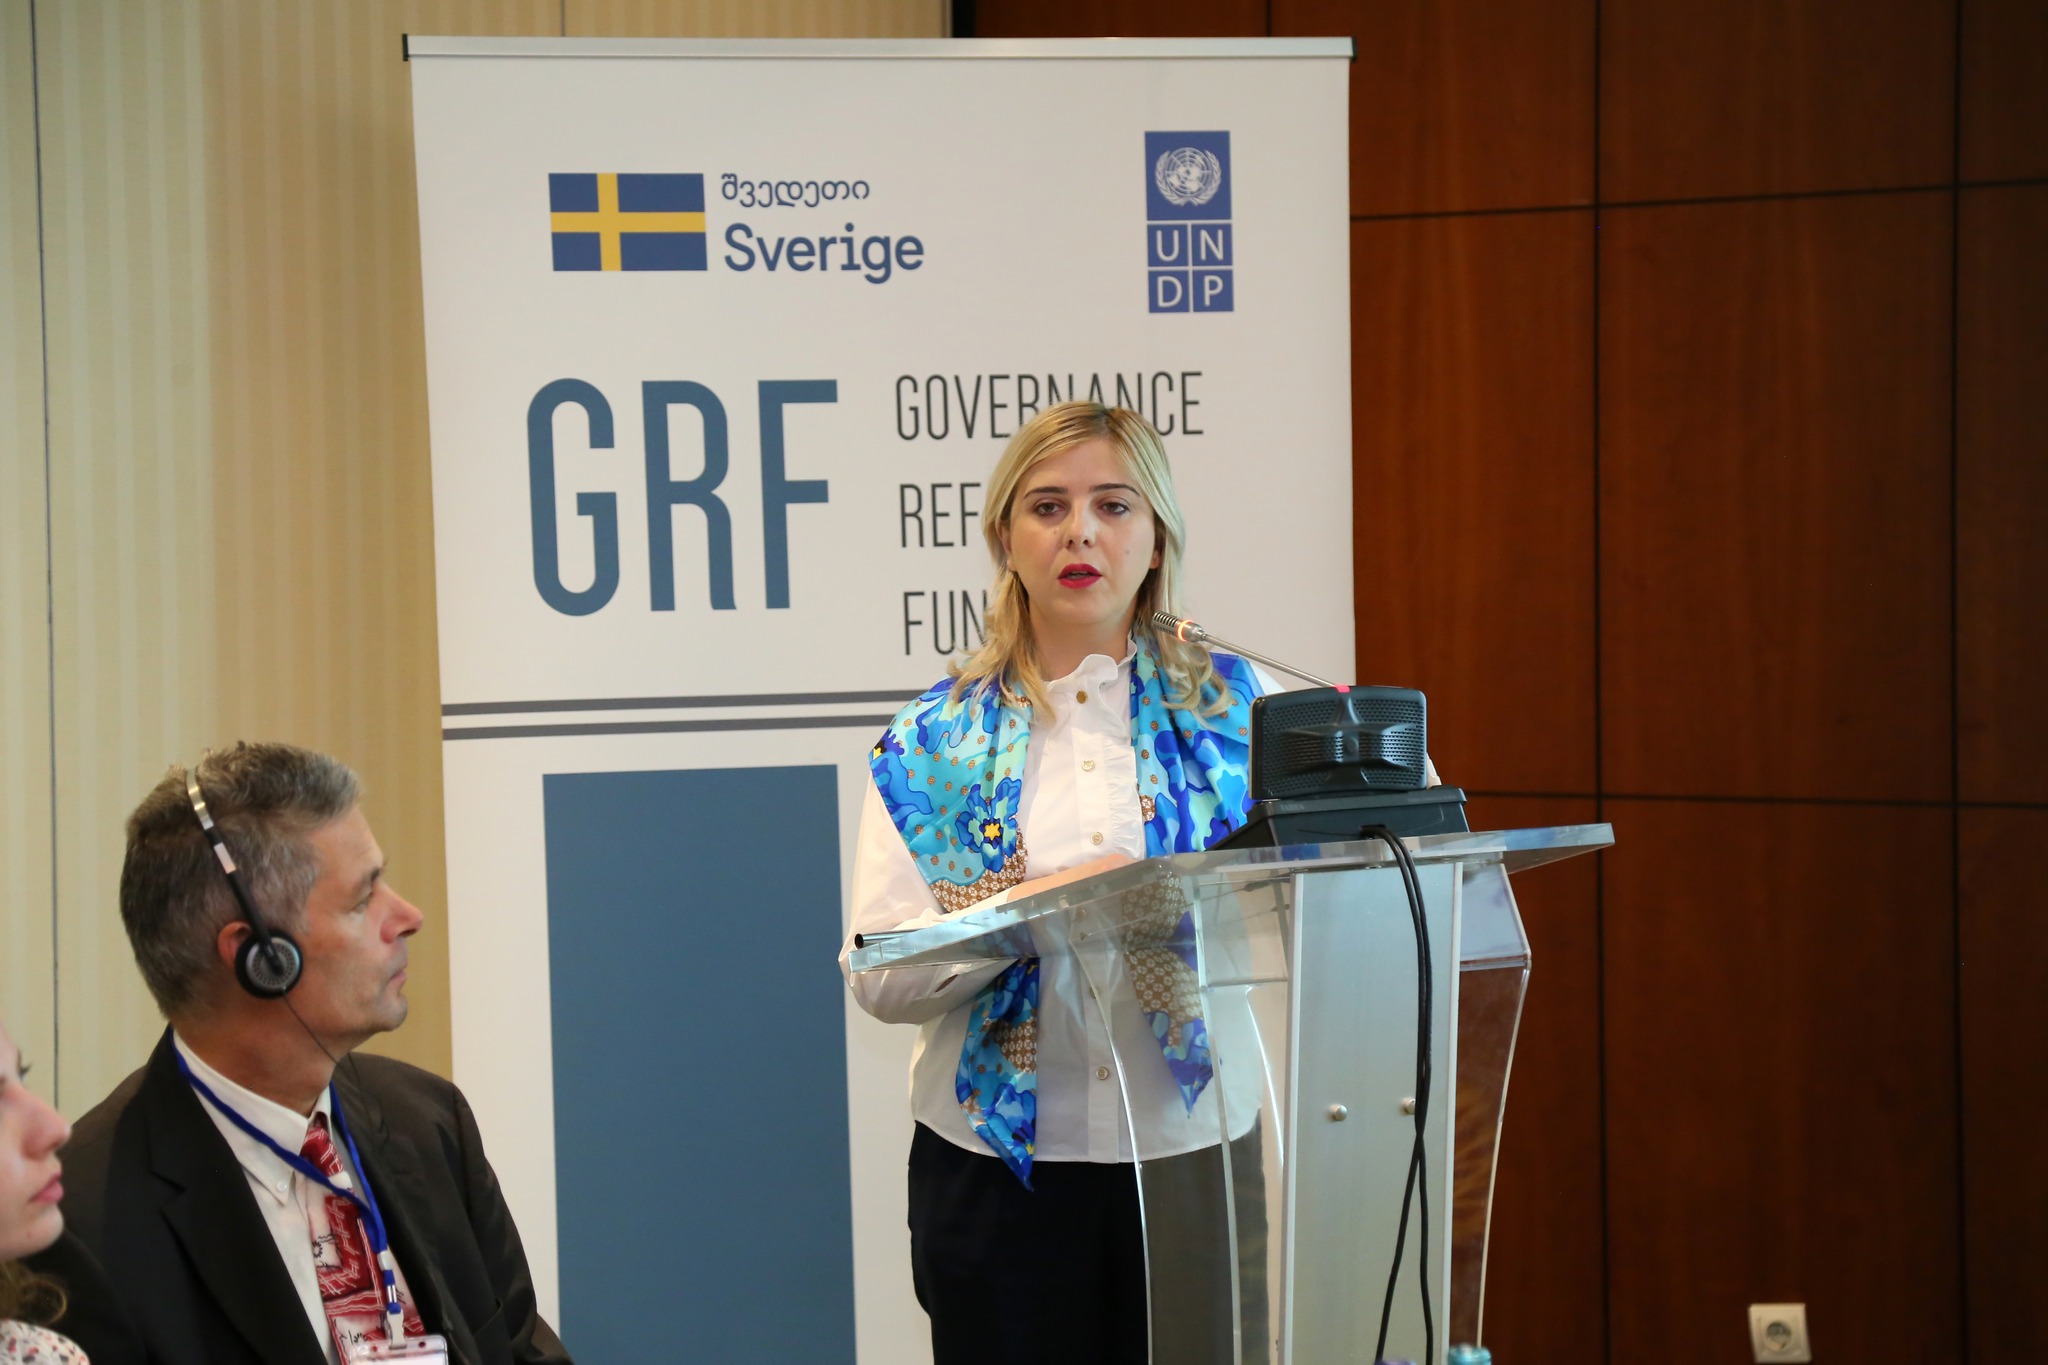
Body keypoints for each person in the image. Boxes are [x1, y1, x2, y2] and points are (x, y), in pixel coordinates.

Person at [841, 401, 1272, 1364]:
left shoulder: (1245, 712)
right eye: (1048, 506)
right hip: (996, 1175)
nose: (1080, 531)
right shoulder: (931, 742)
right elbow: (881, 976)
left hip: (1192, 1153)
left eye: (1113, 505)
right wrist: (1043, 911)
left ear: (1156, 540)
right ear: (1005, 537)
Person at [30, 742, 571, 1365]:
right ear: (263, 959)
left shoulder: (429, 1121)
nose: (409, 916)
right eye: (363, 899)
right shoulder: (82, 1223)